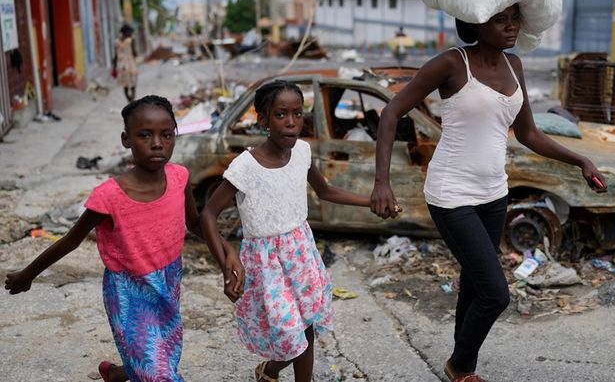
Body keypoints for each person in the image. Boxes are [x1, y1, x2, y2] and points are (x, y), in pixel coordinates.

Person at [370, 4, 606, 382]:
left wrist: (580, 160)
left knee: (475, 281)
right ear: (477, 23)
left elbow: (528, 133)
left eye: (514, 18)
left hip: (494, 193)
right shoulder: (451, 63)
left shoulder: (515, 66)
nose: (511, 26)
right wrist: (382, 181)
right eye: (501, 19)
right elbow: (391, 112)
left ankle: (462, 366)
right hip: (451, 193)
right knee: (496, 294)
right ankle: (460, 365)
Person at [4, 95, 212, 382]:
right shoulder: (108, 196)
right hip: (128, 291)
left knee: (162, 351)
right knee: (159, 373)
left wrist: (226, 254)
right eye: (144, 135)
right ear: (126, 140)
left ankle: (116, 374)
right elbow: (70, 240)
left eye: (166, 135)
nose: (157, 143)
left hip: (168, 280)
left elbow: (196, 224)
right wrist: (28, 274)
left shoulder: (180, 177)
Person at [200, 80, 377, 382]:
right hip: (266, 263)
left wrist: (370, 201)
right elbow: (208, 215)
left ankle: (270, 371)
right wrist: (226, 262)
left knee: (304, 325)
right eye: (281, 114)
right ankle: (271, 368)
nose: (292, 122)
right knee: (286, 328)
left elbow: (325, 191)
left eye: (298, 113)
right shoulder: (245, 166)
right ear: (263, 120)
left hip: (301, 253)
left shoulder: (303, 152)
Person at [113, 25, 139, 102]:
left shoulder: (117, 42)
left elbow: (115, 55)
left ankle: (129, 100)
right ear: (126, 32)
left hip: (121, 65)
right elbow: (135, 54)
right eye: (130, 32)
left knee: (125, 84)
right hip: (130, 64)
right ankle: (132, 98)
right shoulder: (131, 41)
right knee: (133, 81)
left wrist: (114, 67)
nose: (131, 34)